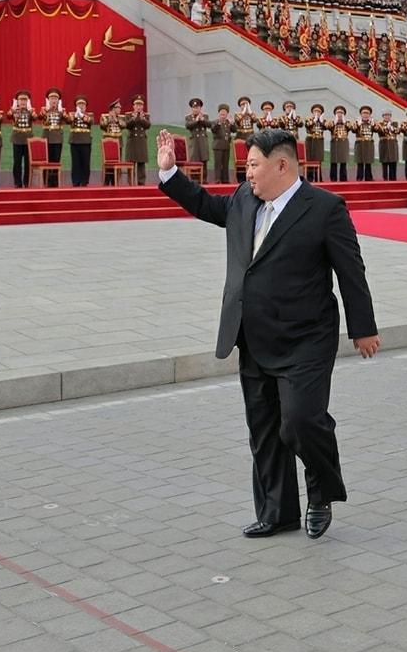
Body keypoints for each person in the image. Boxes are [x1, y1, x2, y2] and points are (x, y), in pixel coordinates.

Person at [155, 127, 379, 540]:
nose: (248, 174)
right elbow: (206, 205)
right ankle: (278, 513)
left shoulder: (324, 208)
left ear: (282, 165)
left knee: (300, 422)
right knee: (264, 430)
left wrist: (362, 328)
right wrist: (171, 175)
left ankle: (321, 491)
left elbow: (351, 271)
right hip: (253, 334)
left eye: (254, 165)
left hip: (305, 338)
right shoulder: (245, 199)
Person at [39, 88, 67, 187]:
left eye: (55, 98)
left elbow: (68, 120)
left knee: (56, 161)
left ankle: (55, 182)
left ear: (58, 100)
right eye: (52, 98)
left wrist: (62, 113)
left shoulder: (61, 111)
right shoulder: (44, 110)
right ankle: (46, 181)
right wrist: (46, 111)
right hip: (47, 138)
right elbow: (39, 117)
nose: (53, 100)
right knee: (46, 161)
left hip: (57, 139)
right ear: (48, 100)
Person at [9, 90, 35, 188]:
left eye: (25, 100)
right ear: (18, 101)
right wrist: (13, 107)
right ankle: (17, 182)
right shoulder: (14, 111)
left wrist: (30, 109)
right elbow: (8, 115)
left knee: (28, 163)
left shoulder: (30, 111)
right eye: (21, 100)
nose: (23, 102)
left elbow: (35, 117)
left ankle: (27, 182)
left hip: (28, 139)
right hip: (17, 139)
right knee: (17, 162)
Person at [124, 95, 152, 185]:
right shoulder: (128, 115)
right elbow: (127, 125)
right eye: (137, 105)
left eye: (140, 105)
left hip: (141, 142)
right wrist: (134, 118)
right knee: (131, 164)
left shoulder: (146, 116)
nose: (139, 107)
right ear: (133, 106)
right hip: (132, 142)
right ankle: (130, 182)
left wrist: (142, 118)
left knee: (141, 164)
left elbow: (148, 125)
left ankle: (141, 183)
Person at [67, 95, 94, 187]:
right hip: (74, 141)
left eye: (83, 104)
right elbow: (68, 120)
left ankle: (84, 180)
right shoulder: (72, 114)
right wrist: (76, 115)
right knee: (75, 162)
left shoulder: (89, 115)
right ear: (76, 106)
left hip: (86, 142)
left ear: (86, 106)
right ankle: (75, 181)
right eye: (79, 104)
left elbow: (90, 121)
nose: (81, 106)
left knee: (85, 162)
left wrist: (82, 115)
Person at [99, 99, 124, 186]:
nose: (120, 109)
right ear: (113, 109)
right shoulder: (105, 116)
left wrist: (116, 120)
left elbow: (124, 125)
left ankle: (115, 181)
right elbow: (102, 126)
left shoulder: (121, 118)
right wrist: (109, 119)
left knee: (117, 163)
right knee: (108, 164)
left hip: (119, 143)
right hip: (108, 145)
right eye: (118, 108)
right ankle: (106, 181)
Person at [349, 105, 376, 181]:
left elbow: (378, 130)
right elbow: (353, 130)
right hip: (360, 144)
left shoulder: (371, 123)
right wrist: (358, 124)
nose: (365, 115)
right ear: (361, 114)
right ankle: (359, 177)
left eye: (367, 113)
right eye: (364, 113)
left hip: (369, 144)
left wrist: (373, 124)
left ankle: (368, 177)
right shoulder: (357, 122)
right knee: (360, 162)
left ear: (369, 115)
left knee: (368, 162)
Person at [303, 104, 327, 183]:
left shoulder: (323, 121)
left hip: (319, 141)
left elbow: (326, 127)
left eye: (319, 112)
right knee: (309, 159)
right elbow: (307, 125)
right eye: (315, 111)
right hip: (310, 140)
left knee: (318, 159)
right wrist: (314, 120)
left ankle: (318, 178)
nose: (317, 113)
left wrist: (321, 120)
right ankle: (309, 178)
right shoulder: (308, 119)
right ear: (312, 112)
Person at [211, 103, 233, 184]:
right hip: (218, 146)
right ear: (219, 114)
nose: (223, 116)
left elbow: (234, 130)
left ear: (227, 114)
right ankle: (217, 179)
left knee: (225, 164)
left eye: (224, 114)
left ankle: (225, 180)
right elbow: (213, 129)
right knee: (218, 164)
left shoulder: (228, 122)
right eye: (221, 114)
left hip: (226, 146)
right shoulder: (215, 122)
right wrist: (219, 123)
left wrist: (232, 123)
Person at [328, 106, 350, 182]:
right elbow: (328, 126)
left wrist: (344, 122)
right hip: (335, 144)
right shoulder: (332, 123)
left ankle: (343, 178)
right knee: (333, 162)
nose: (340, 115)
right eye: (338, 113)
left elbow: (351, 128)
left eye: (341, 113)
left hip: (343, 144)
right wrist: (335, 121)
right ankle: (333, 178)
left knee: (343, 162)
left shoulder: (347, 123)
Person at [377, 110, 399, 182]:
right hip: (384, 143)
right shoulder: (380, 124)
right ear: (383, 116)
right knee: (384, 161)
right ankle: (385, 178)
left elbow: (397, 131)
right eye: (385, 115)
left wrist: (391, 127)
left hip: (393, 144)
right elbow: (378, 131)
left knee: (393, 161)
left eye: (388, 115)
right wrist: (385, 127)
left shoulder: (394, 123)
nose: (387, 117)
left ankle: (393, 178)